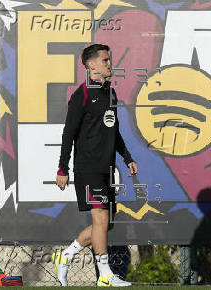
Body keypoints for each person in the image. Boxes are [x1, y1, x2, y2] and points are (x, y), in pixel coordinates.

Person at [54, 44, 137, 287]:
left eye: (109, 60)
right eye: (105, 61)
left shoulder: (110, 93)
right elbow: (68, 133)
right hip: (88, 167)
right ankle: (105, 276)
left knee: (106, 223)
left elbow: (115, 129)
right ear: (91, 65)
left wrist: (127, 157)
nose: (109, 65)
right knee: (100, 219)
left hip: (107, 168)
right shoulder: (82, 94)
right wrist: (62, 169)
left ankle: (66, 256)